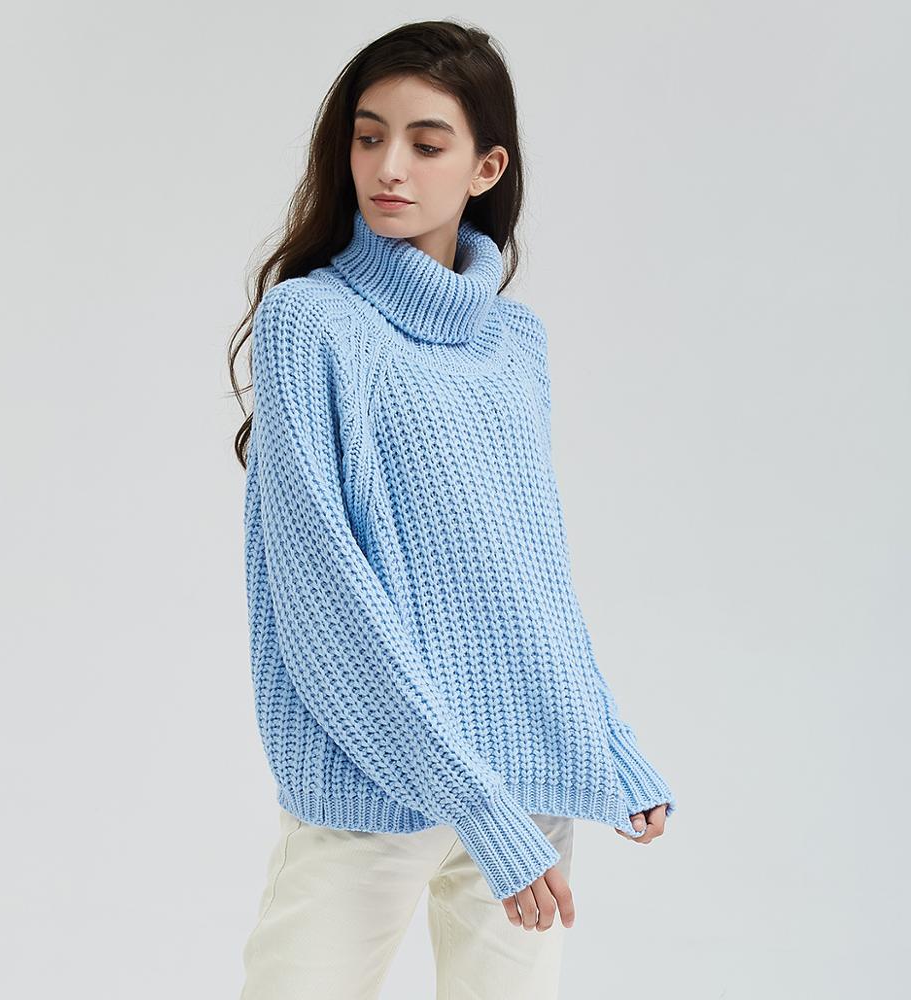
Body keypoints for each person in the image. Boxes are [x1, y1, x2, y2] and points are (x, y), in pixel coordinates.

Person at [227, 19, 677, 1000]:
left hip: (527, 786)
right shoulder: (311, 322)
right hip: (370, 789)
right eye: (368, 136)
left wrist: (606, 740)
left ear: (485, 167)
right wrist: (470, 799)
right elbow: (324, 593)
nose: (388, 166)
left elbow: (531, 572)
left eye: (426, 143)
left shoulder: (517, 342)